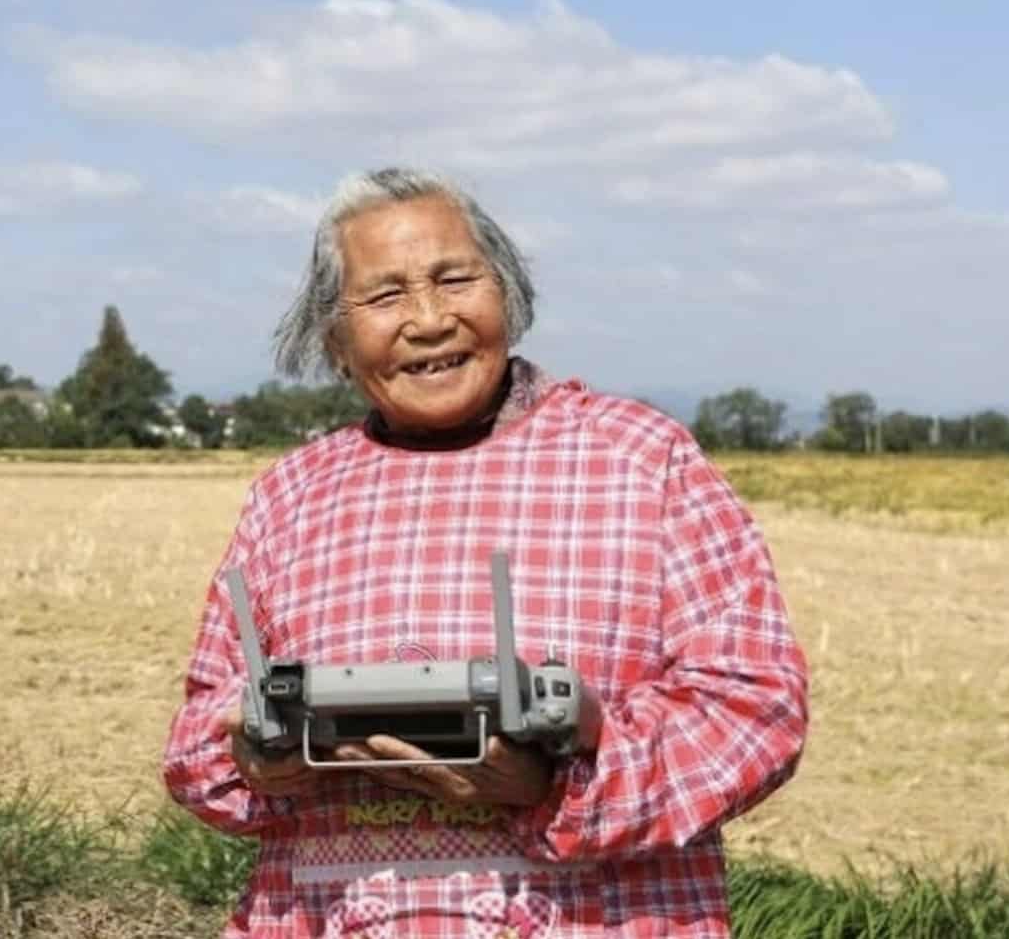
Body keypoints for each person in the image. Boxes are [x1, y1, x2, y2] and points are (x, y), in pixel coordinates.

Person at [162, 167, 809, 938]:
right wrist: (260, 761)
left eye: (455, 278)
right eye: (385, 295)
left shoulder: (642, 460)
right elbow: (200, 736)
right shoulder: (290, 496)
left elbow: (753, 710)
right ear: (335, 339)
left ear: (509, 295)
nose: (430, 320)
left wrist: (550, 785)